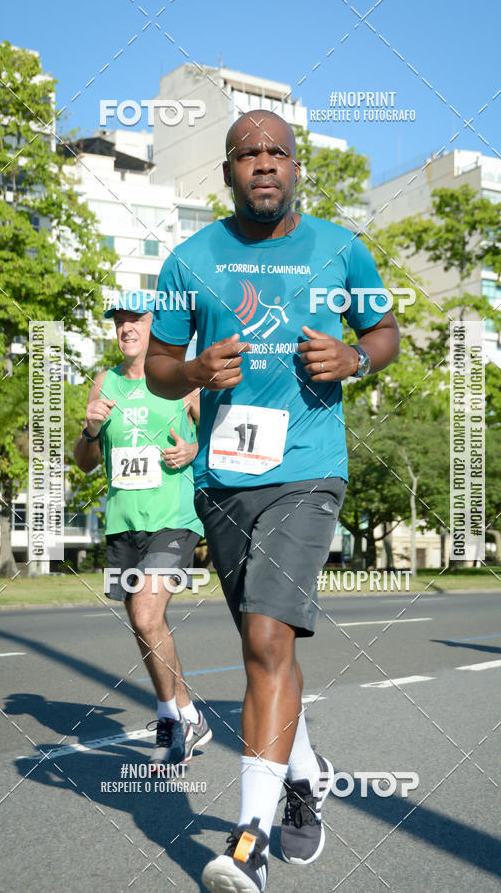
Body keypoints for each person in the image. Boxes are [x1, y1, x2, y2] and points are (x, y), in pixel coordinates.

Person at [145, 111, 400, 893]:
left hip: (308, 468)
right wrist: (193, 374)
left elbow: (386, 330)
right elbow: (157, 364)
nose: (263, 164)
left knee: (265, 639)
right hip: (224, 478)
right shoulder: (191, 260)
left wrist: (354, 356)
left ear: (296, 168)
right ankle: (301, 771)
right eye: (247, 155)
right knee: (270, 654)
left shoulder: (340, 247)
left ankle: (249, 840)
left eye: (276, 153)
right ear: (227, 172)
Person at [73, 291, 211, 767]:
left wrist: (195, 452)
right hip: (123, 522)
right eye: (119, 321)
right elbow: (86, 463)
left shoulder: (184, 379)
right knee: (143, 621)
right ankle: (190, 712)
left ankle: (170, 720)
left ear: (156, 325)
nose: (126, 328)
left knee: (147, 615)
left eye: (137, 319)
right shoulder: (104, 382)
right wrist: (90, 431)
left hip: (173, 517)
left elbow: (220, 442)